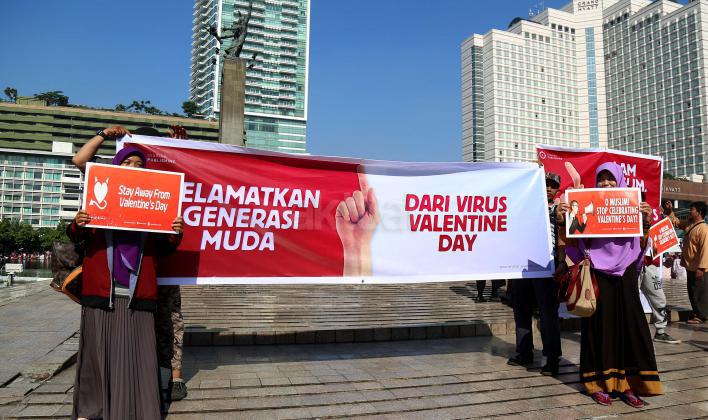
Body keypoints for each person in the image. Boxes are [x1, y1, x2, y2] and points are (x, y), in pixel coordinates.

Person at [70, 125, 185, 419]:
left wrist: (175, 231)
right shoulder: (100, 192)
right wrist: (102, 134)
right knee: (97, 354)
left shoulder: (152, 201)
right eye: (127, 163)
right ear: (115, 166)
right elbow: (79, 161)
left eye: (139, 164)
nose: (133, 168)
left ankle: (136, 409)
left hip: (138, 293)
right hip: (102, 291)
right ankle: (91, 409)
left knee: (136, 356)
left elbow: (165, 247)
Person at [560, 162, 662, 408]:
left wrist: (646, 221)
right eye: (601, 179)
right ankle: (597, 384)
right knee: (599, 328)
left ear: (620, 181)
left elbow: (642, 244)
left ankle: (628, 384)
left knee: (630, 327)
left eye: (611, 179)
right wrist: (563, 219)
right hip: (596, 271)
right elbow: (572, 240)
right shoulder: (588, 206)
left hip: (625, 272)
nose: (606, 184)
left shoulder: (632, 206)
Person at [131, 126, 190, 401]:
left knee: (171, 321)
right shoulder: (120, 180)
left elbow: (188, 177)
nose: (136, 165)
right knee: (139, 323)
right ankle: (143, 374)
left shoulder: (164, 178)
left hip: (165, 267)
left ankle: (176, 378)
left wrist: (178, 148)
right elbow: (81, 162)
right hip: (133, 268)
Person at [507, 172, 562, 376]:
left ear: (558, 189)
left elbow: (565, 238)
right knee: (521, 310)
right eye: (544, 184)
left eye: (552, 185)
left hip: (547, 266)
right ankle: (524, 352)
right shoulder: (524, 206)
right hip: (523, 266)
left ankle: (552, 357)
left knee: (548, 314)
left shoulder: (560, 208)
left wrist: (562, 263)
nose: (548, 188)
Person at [638, 195, 680, 344]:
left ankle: (660, 331)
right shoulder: (626, 216)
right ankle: (627, 334)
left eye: (642, 199)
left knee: (659, 297)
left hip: (650, 264)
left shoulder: (656, 215)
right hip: (631, 265)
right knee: (629, 300)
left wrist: (668, 213)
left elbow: (669, 226)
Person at [680, 201, 707, 324]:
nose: (689, 211)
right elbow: (677, 222)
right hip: (690, 266)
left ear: (699, 212)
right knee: (692, 291)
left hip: (698, 268)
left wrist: (701, 268)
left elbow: (705, 249)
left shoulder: (703, 229)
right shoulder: (690, 225)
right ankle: (697, 313)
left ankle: (702, 316)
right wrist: (669, 212)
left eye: (692, 209)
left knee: (700, 292)